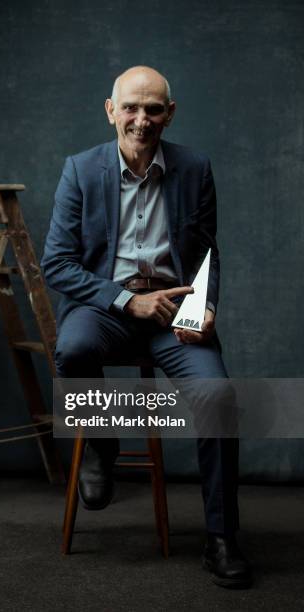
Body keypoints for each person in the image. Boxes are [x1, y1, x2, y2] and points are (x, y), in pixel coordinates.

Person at [41, 66, 251, 588]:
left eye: (153, 109)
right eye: (131, 108)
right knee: (73, 348)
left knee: (218, 397)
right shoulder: (81, 170)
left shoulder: (195, 168)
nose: (141, 120)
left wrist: (205, 303)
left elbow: (205, 253)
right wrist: (124, 301)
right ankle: (102, 440)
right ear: (110, 111)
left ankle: (221, 537)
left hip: (174, 310)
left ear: (169, 113)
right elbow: (58, 264)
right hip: (107, 309)